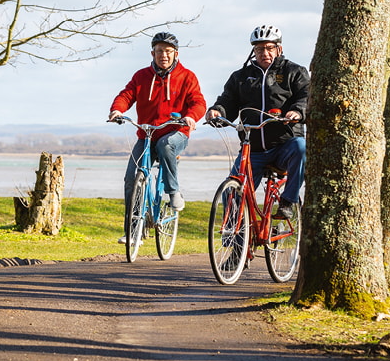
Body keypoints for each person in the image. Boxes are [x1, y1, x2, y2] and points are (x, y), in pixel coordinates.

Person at [206, 24, 309, 220]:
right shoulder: (241, 77)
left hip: (284, 144)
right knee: (233, 191)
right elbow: (228, 100)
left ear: (279, 48)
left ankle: (288, 201)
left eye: (269, 48)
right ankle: (235, 242)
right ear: (253, 50)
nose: (264, 53)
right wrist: (217, 111)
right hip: (252, 148)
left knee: (301, 147)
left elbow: (305, 96)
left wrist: (296, 111)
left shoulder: (294, 72)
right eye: (259, 48)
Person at [109, 32, 206, 232]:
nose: (164, 55)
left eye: (168, 51)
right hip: (147, 134)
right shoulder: (141, 76)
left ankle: (173, 192)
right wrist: (117, 109)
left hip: (175, 132)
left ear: (176, 54)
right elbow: (127, 95)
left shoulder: (187, 76)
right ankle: (134, 229)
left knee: (166, 145)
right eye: (160, 51)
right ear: (152, 53)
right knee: (130, 178)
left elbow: (198, 102)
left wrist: (191, 116)